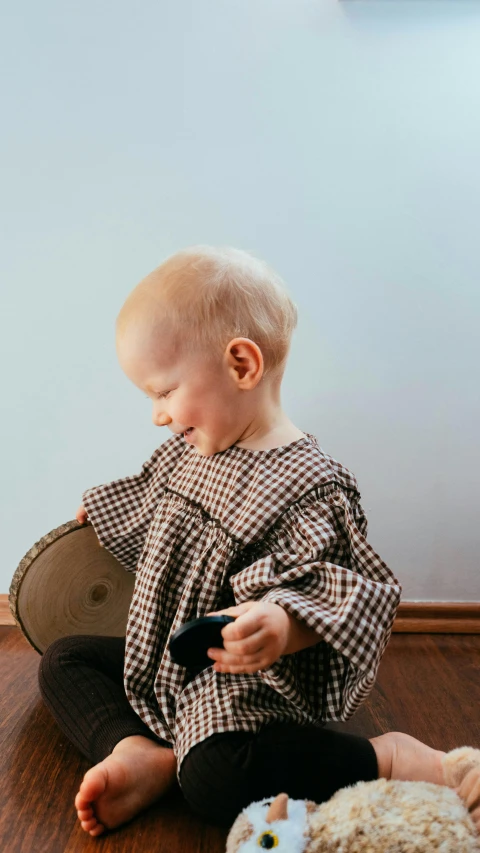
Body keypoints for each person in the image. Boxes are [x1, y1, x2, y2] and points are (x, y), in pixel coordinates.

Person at [38, 246, 449, 837]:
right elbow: (151, 495)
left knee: (213, 777)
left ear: (240, 365)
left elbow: (339, 593)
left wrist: (282, 625)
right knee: (66, 660)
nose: (157, 414)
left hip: (245, 682)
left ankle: (385, 758)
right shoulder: (192, 449)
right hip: (174, 657)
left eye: (163, 392)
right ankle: (139, 750)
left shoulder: (311, 486)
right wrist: (102, 509)